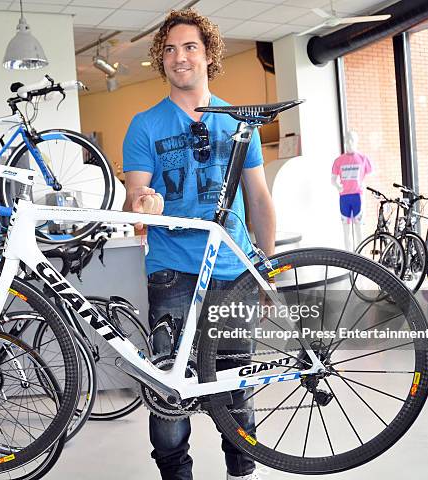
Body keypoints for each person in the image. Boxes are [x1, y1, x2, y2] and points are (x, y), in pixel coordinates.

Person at [122, 8, 276, 480]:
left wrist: (265, 268)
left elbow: (259, 200)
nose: (179, 57)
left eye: (189, 47)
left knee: (235, 385)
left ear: (208, 55)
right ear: (161, 59)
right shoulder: (145, 125)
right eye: (169, 49)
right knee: (170, 392)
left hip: (232, 269)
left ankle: (240, 471)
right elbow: (135, 203)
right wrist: (141, 207)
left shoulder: (237, 122)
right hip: (171, 269)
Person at [331, 131, 373, 250]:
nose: (349, 142)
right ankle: (349, 256)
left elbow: (370, 175)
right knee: (346, 230)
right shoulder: (339, 160)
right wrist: (338, 186)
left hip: (357, 196)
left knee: (359, 228)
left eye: (352, 140)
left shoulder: (363, 159)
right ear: (344, 141)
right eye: (347, 140)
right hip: (344, 197)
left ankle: (361, 255)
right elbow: (333, 179)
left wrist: (363, 184)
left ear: (356, 142)